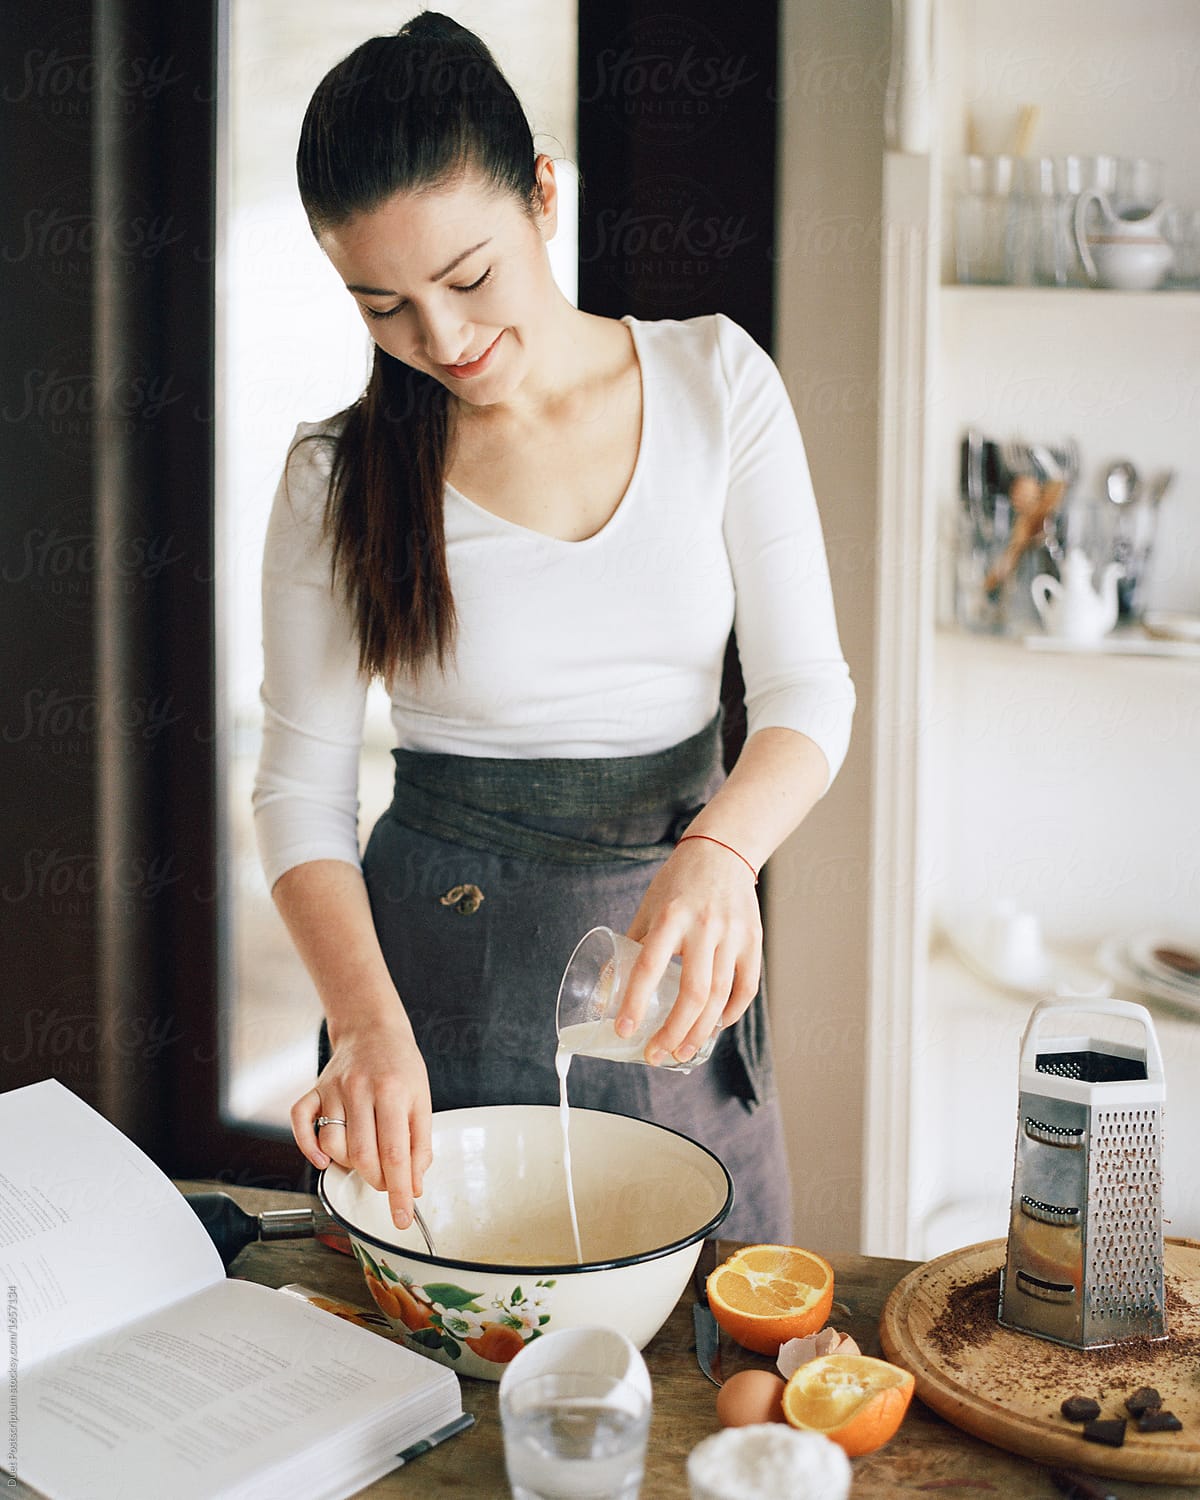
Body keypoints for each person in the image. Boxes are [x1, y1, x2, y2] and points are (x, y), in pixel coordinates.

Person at [253, 12, 855, 1246]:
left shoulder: (714, 383)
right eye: (385, 309)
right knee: (440, 1374)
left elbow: (809, 693)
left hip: (667, 962)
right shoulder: (338, 474)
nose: (445, 340)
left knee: (706, 1359)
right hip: (423, 981)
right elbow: (298, 794)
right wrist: (367, 1026)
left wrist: (726, 853)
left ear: (541, 194)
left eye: (469, 279)